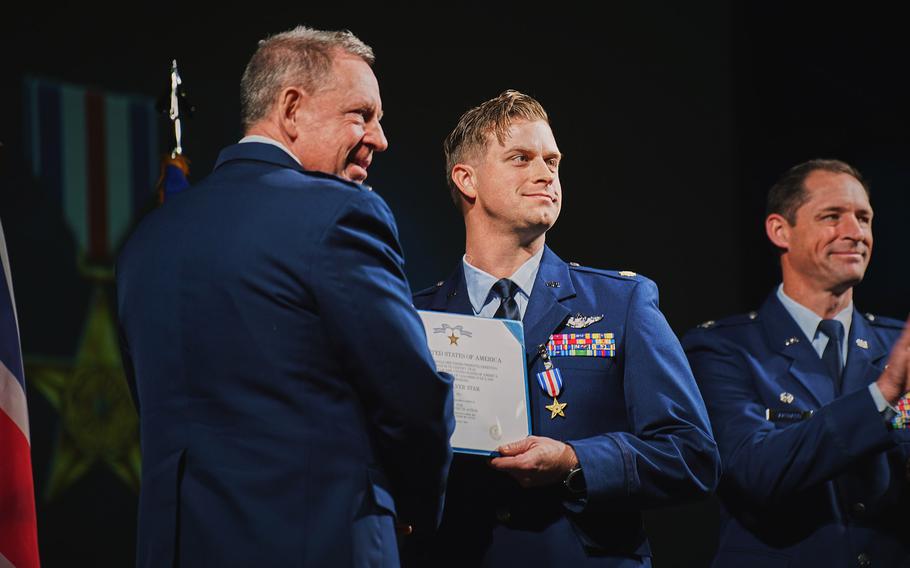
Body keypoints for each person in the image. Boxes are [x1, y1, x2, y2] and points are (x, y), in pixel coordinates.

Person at [116, 26, 454, 568]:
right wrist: (413, 512)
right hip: (317, 543)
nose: (380, 137)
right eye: (362, 114)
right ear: (292, 108)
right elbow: (410, 400)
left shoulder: (145, 242)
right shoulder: (341, 214)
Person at [407, 90, 720, 567]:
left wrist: (575, 461)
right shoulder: (416, 319)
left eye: (552, 160)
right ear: (466, 178)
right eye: (520, 158)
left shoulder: (622, 302)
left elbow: (692, 455)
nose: (545, 173)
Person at [682, 159, 910, 567]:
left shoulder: (895, 344)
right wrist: (883, 396)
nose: (855, 233)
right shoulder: (721, 349)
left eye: (864, 218)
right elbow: (757, 471)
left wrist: (895, 411)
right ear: (779, 230)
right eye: (832, 216)